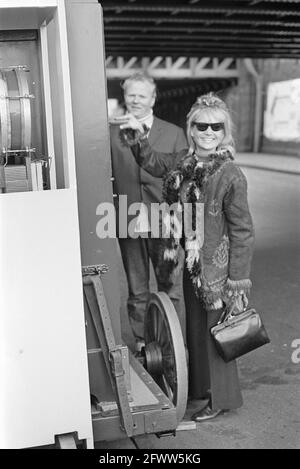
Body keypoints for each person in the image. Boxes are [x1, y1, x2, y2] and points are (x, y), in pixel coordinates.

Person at [115, 92, 255, 421]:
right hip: (193, 267)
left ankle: (219, 399)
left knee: (218, 336)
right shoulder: (184, 162)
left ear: (225, 132)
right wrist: (137, 136)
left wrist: (237, 281)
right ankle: (200, 394)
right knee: (196, 333)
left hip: (218, 272)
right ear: (190, 130)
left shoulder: (230, 174)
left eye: (216, 127)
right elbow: (152, 162)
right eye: (201, 126)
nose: (208, 133)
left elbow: (243, 231)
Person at [110, 72, 187, 350]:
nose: (136, 100)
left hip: (165, 220)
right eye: (131, 94)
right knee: (137, 288)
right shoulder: (110, 133)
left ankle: (173, 341)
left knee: (171, 287)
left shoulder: (175, 133)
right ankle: (144, 342)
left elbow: (181, 176)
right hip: (125, 217)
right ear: (125, 97)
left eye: (142, 95)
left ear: (153, 98)